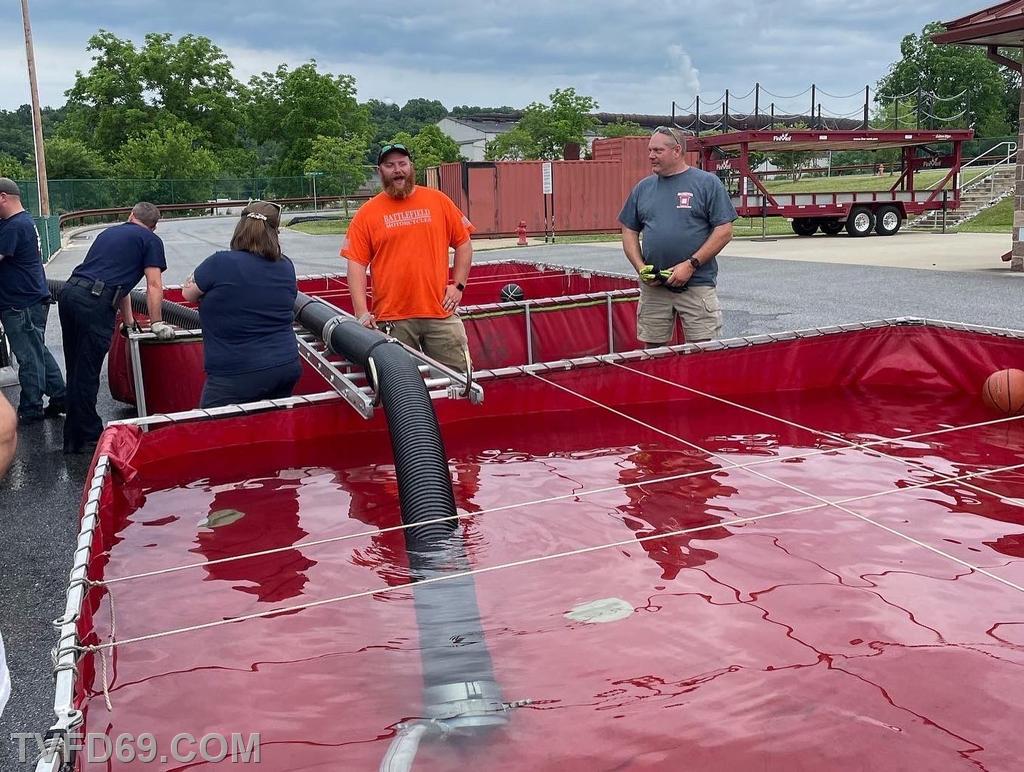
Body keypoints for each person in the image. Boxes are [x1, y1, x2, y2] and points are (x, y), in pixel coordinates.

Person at [342, 142, 473, 373]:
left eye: (402, 164)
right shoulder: (367, 214)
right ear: (380, 171)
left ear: (411, 167)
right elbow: (356, 264)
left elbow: (464, 243)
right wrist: (361, 313)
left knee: (459, 380)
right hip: (393, 319)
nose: (397, 170)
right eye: (390, 165)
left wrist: (458, 286)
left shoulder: (438, 201)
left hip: (439, 314)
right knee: (399, 386)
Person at [58, 201, 172, 454]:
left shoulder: (109, 232)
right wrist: (156, 323)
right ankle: (87, 439)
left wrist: (129, 322)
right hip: (94, 303)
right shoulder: (150, 240)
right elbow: (154, 285)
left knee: (75, 368)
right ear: (154, 226)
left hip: (70, 294)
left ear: (131, 215)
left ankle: (73, 438)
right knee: (87, 371)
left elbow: (122, 286)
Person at [618, 127, 737, 345]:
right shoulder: (642, 189)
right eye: (649, 150)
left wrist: (691, 264)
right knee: (653, 353)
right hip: (655, 289)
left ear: (677, 151)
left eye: (657, 150)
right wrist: (641, 268)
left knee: (703, 353)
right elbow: (629, 230)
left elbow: (724, 231)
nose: (651, 156)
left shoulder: (707, 184)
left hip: (696, 285)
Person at [181, 201, 301, 408]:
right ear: (274, 233)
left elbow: (188, 293)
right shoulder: (285, 265)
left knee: (212, 432)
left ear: (240, 229)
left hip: (235, 373)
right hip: (285, 365)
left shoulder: (220, 263)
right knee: (270, 427)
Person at [0, 177, 67, 423]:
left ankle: (31, 408)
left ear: (3, 197)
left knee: (27, 356)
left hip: (20, 303)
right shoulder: (20, 222)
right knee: (37, 351)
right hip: (29, 299)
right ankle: (61, 396)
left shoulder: (14, 227)